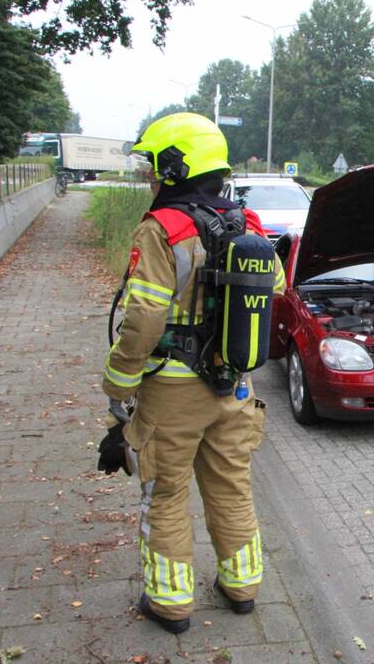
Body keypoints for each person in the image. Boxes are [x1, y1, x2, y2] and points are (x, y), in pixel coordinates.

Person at [102, 113, 285, 633]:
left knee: (165, 493)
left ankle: (170, 604)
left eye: (155, 166)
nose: (151, 177)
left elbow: (142, 318)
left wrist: (119, 380)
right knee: (231, 486)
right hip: (236, 386)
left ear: (177, 165)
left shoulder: (163, 229)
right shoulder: (246, 223)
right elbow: (274, 288)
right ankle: (242, 587)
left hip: (172, 391)